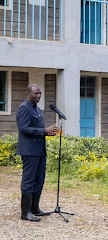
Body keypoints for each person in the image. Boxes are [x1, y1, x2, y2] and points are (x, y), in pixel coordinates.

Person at [16, 84, 60, 221]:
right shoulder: (24, 108)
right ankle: (25, 212)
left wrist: (48, 133)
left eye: (40, 93)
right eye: (36, 93)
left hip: (40, 150)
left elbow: (37, 129)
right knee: (29, 180)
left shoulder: (37, 110)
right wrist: (44, 131)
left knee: (39, 180)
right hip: (29, 151)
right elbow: (23, 129)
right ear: (28, 93)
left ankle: (35, 208)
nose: (39, 96)